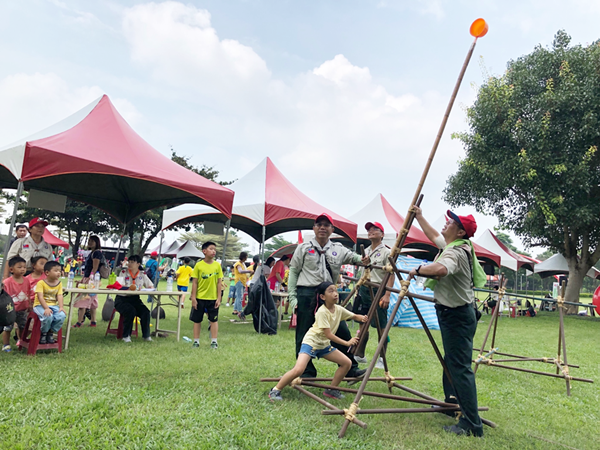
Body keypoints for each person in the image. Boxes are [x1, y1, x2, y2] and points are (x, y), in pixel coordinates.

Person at [409, 206, 486, 437]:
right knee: (452, 360)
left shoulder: (457, 252)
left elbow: (441, 269)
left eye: (450, 222)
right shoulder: (454, 245)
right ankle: (452, 403)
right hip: (457, 314)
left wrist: (418, 268)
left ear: (461, 232)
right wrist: (419, 216)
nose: (445, 223)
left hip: (457, 316)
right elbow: (434, 236)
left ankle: (472, 425)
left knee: (460, 368)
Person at [288, 213, 369, 380]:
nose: (322, 227)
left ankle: (350, 368)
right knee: (304, 333)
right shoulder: (303, 248)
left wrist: (363, 259)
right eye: (319, 224)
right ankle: (306, 372)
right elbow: (294, 272)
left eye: (326, 225)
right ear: (314, 228)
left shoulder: (338, 249)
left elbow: (355, 258)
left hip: (329, 294)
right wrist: (292, 298)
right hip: (306, 294)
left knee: (341, 330)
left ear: (332, 229)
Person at [269, 281, 368, 400]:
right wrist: (346, 343)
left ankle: (332, 389)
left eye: (335, 290)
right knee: (299, 369)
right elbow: (329, 335)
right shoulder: (321, 312)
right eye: (331, 291)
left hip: (323, 345)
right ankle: (275, 390)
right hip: (311, 342)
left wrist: (363, 317)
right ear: (322, 297)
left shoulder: (338, 309)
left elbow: (353, 316)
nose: (335, 294)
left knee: (347, 363)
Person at [354, 222, 395, 369]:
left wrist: (388, 295)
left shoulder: (387, 252)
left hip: (378, 290)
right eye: (369, 230)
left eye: (375, 229)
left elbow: (391, 274)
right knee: (362, 321)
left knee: (380, 326)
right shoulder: (366, 250)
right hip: (364, 289)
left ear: (382, 234)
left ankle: (382, 358)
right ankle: (360, 354)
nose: (371, 231)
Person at [189, 242, 223, 349]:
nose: (214, 251)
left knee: (213, 320)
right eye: (211, 249)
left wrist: (219, 297)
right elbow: (195, 282)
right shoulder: (198, 265)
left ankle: (214, 341)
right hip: (200, 298)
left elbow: (219, 282)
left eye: (215, 249)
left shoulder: (217, 265)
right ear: (204, 251)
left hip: (212, 298)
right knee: (197, 320)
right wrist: (193, 298)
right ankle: (196, 341)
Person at [114, 255, 153, 343]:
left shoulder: (142, 274)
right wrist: (130, 287)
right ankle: (126, 336)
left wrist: (149, 288)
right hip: (122, 299)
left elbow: (150, 285)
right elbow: (119, 286)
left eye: (132, 262)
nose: (129, 264)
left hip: (135, 299)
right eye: (129, 262)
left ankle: (146, 336)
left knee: (145, 312)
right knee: (130, 311)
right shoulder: (123, 272)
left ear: (138, 264)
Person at [73, 235, 105, 328]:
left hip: (92, 279)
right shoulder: (93, 252)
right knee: (93, 301)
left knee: (83, 299)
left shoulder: (96, 253)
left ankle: (79, 322)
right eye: (89, 241)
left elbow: (95, 267)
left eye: (92, 241)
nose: (90, 243)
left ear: (97, 243)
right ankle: (93, 321)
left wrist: (89, 278)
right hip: (92, 279)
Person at [2, 257, 32, 352]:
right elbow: (4, 296)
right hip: (10, 310)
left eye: (24, 267)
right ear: (11, 269)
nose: (23, 269)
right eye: (19, 267)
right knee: (8, 327)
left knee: (23, 326)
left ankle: (21, 341)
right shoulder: (7, 282)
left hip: (22, 309)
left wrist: (30, 304)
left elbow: (29, 292)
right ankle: (6, 345)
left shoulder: (26, 280)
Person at [33, 261, 66, 345]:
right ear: (47, 272)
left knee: (61, 315)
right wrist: (46, 308)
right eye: (56, 270)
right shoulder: (41, 283)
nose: (59, 273)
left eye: (59, 270)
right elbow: (40, 297)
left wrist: (61, 307)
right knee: (48, 316)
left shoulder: (59, 283)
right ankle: (43, 333)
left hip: (53, 305)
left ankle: (51, 332)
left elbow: (60, 296)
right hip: (40, 305)